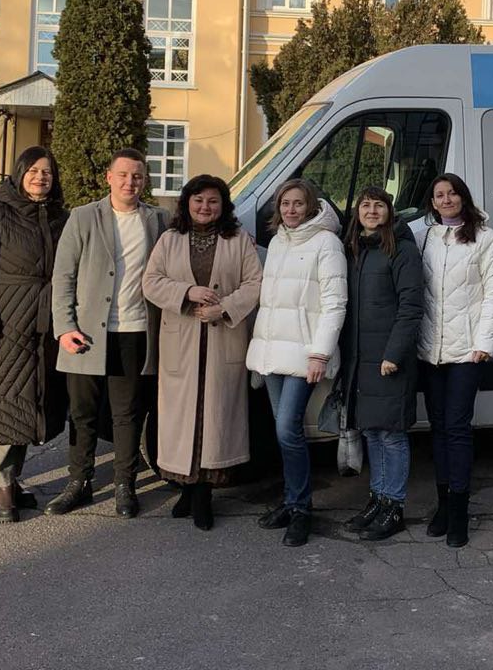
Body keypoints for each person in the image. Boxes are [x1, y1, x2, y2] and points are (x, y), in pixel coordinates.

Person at [49, 149, 167, 519]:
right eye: (123, 175)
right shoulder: (83, 217)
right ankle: (78, 482)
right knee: (82, 413)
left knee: (127, 414)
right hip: (85, 333)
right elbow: (63, 275)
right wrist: (64, 327)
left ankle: (124, 485)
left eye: (137, 176)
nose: (130, 182)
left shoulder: (158, 220)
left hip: (135, 332)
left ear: (144, 180)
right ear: (109, 177)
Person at [142, 175, 262, 531]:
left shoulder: (238, 240)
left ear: (223, 205)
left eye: (212, 201)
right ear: (187, 203)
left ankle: (204, 494)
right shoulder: (170, 239)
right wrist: (187, 292)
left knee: (214, 418)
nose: (205, 207)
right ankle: (186, 488)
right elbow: (151, 281)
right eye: (198, 200)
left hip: (222, 339)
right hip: (181, 342)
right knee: (182, 418)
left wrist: (223, 308)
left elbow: (255, 283)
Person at [0, 146, 69, 523]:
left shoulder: (61, 217)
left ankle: (9, 480)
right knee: (1, 404)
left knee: (29, 404)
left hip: (45, 325)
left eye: (47, 172)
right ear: (19, 173)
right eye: (33, 171)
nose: (40, 178)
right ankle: (3, 491)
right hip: (5, 322)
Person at [246, 178, 347, 548]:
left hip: (305, 353)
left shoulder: (326, 243)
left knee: (288, 429)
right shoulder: (278, 242)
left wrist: (320, 352)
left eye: (298, 203)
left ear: (311, 206)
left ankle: (302, 508)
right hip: (273, 352)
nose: (290, 210)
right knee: (282, 429)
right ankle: (291, 502)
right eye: (285, 203)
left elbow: (335, 302)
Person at [415, 173, 493, 548]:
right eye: (439, 195)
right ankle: (442, 505)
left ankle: (459, 512)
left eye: (452, 193)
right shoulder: (426, 237)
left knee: (456, 428)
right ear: (432, 202)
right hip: (430, 350)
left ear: (463, 197)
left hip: (468, 350)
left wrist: (485, 342)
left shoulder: (484, 237)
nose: (446, 199)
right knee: (438, 428)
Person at [340, 187, 424, 542]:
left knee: (392, 434)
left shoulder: (401, 249)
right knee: (372, 431)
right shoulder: (356, 249)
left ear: (390, 211)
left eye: (379, 205)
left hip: (389, 359)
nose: (372, 211)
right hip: (361, 359)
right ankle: (377, 499)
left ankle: (395, 506)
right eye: (365, 205)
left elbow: (411, 307)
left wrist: (394, 353)